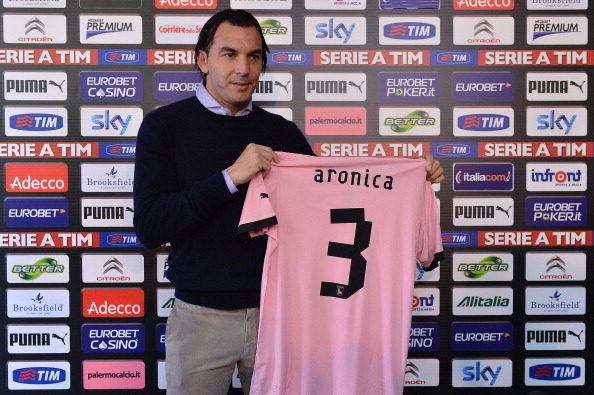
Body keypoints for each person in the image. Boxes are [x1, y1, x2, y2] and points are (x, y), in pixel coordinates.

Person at [133, 9, 444, 395]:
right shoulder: (164, 127)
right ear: (202, 59)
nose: (244, 69)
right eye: (229, 54)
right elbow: (151, 227)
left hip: (283, 318)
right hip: (202, 319)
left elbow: (335, 204)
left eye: (255, 56)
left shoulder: (282, 133)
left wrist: (411, 180)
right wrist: (231, 177)